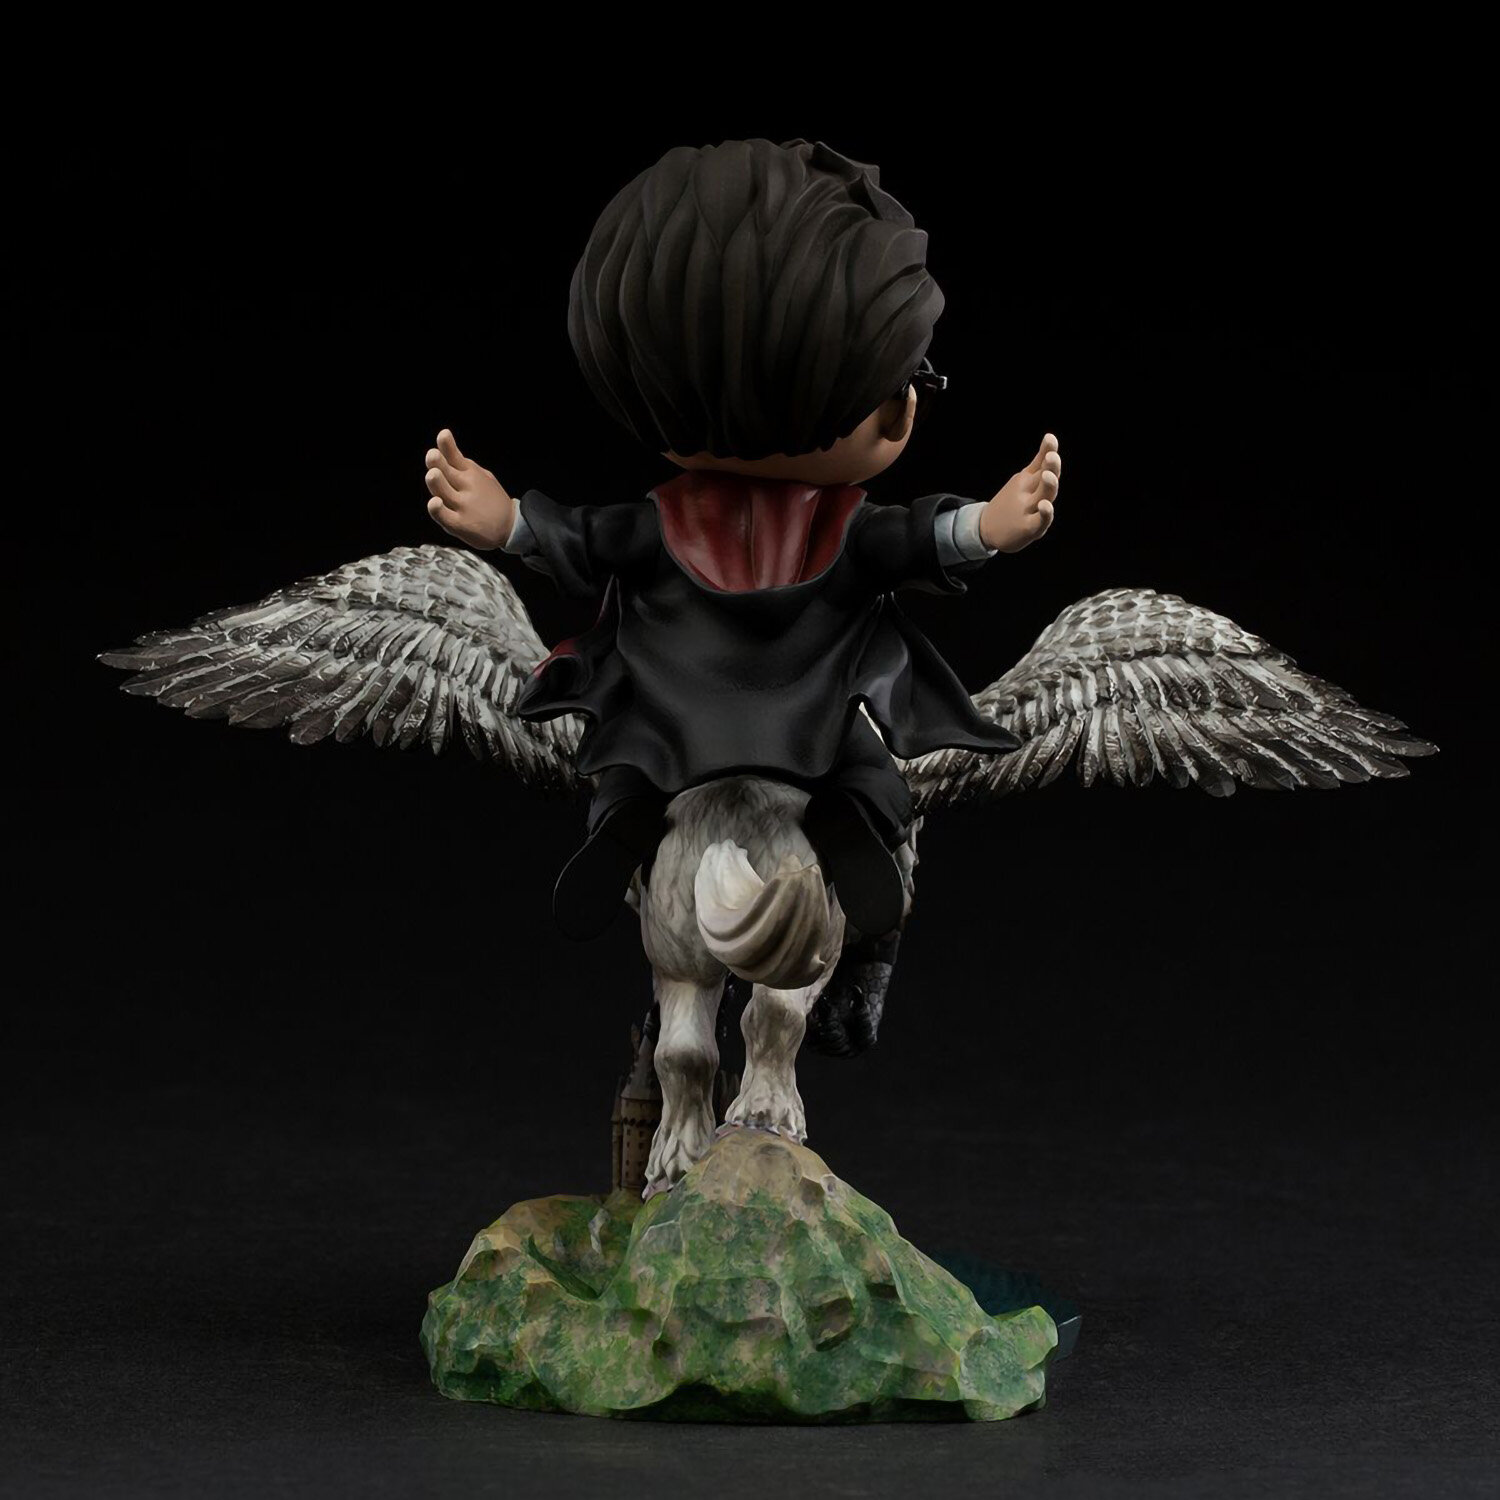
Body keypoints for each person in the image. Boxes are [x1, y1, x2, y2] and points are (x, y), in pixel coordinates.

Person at [423, 139, 1061, 940]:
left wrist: (509, 520)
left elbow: (586, 540)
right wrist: (986, 528)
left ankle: (630, 821)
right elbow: (915, 541)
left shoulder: (665, 518)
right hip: (809, 725)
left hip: (679, 719)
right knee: (867, 778)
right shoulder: (843, 528)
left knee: (637, 765)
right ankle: (846, 839)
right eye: (910, 379)